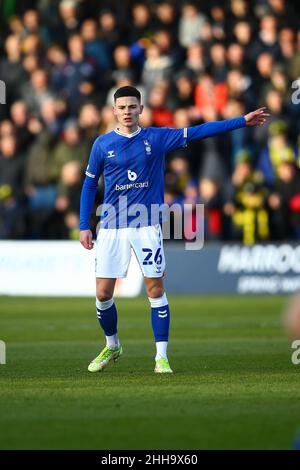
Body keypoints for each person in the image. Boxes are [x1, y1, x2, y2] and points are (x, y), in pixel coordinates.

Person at [79, 85, 269, 374]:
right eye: (122, 107)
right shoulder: (102, 144)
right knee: (103, 294)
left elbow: (199, 131)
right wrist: (84, 225)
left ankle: (161, 357)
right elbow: (89, 185)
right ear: (114, 111)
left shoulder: (157, 137)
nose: (127, 112)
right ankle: (113, 344)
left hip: (146, 225)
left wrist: (241, 121)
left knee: (155, 289)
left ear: (141, 109)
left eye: (133, 106)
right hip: (112, 226)